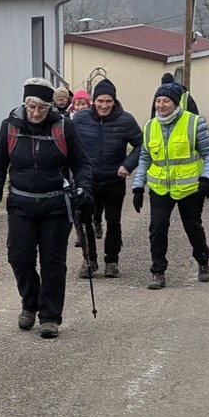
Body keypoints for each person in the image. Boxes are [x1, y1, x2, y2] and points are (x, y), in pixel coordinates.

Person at [0, 77, 93, 338]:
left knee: (53, 262)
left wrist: (84, 189)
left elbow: (81, 163)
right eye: (31, 107)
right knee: (19, 257)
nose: (36, 113)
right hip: (20, 204)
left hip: (56, 205)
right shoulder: (10, 126)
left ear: (50, 106)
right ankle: (30, 302)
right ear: (24, 104)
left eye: (42, 108)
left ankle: (50, 316)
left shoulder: (63, 126)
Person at [131, 81, 209, 289]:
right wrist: (138, 186)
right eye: (158, 101)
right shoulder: (150, 126)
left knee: (192, 227)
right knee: (157, 229)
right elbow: (145, 158)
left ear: (176, 103)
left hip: (190, 187)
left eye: (166, 101)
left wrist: (207, 178)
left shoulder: (194, 122)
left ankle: (203, 259)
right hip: (160, 187)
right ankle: (158, 272)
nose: (161, 105)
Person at [70, 78, 142, 279]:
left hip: (113, 180)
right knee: (84, 221)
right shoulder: (80, 119)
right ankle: (89, 260)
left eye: (108, 101)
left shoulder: (125, 120)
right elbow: (70, 144)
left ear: (114, 101)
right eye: (100, 101)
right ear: (93, 101)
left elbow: (141, 145)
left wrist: (128, 165)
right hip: (87, 180)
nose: (104, 105)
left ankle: (112, 261)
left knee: (113, 222)